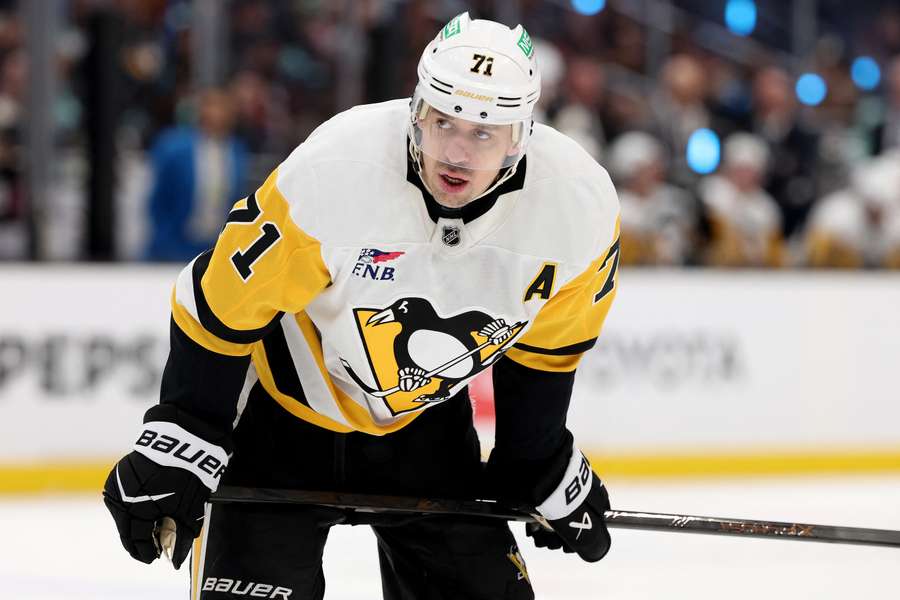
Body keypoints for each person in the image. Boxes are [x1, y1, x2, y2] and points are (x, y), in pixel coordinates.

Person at [103, 13, 620, 600]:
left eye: (482, 132)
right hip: (276, 425)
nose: (454, 151)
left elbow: (549, 348)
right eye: (441, 120)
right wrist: (185, 429)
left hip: (426, 435)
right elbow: (220, 301)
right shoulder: (337, 167)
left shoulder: (577, 205)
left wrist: (537, 457)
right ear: (416, 107)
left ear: (521, 134)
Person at [144, 87, 249, 261]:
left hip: (215, 246)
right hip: (174, 244)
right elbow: (157, 199)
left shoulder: (236, 150)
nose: (216, 113)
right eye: (212, 106)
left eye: (223, 107)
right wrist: (163, 239)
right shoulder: (173, 147)